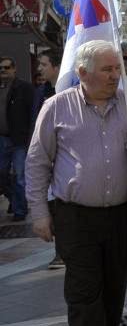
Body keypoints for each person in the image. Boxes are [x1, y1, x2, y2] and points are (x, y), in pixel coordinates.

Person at [25, 40, 127, 326]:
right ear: (82, 72)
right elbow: (37, 162)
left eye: (117, 68)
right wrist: (40, 213)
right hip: (75, 218)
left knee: (115, 291)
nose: (115, 75)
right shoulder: (56, 107)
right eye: (107, 69)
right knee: (84, 294)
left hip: (122, 217)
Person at [31, 49, 66, 269]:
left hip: (64, 161)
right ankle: (60, 251)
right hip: (46, 157)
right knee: (52, 204)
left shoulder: (69, 91)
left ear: (56, 67)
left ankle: (63, 252)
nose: (40, 69)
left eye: (44, 64)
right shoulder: (41, 92)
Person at [0, 56, 34, 221]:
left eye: (6, 67)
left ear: (14, 69)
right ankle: (15, 200)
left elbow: (33, 113)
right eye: (0, 68)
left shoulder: (24, 88)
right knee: (2, 175)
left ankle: (20, 209)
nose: (3, 71)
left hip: (19, 140)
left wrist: (31, 137)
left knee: (20, 177)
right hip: (2, 139)